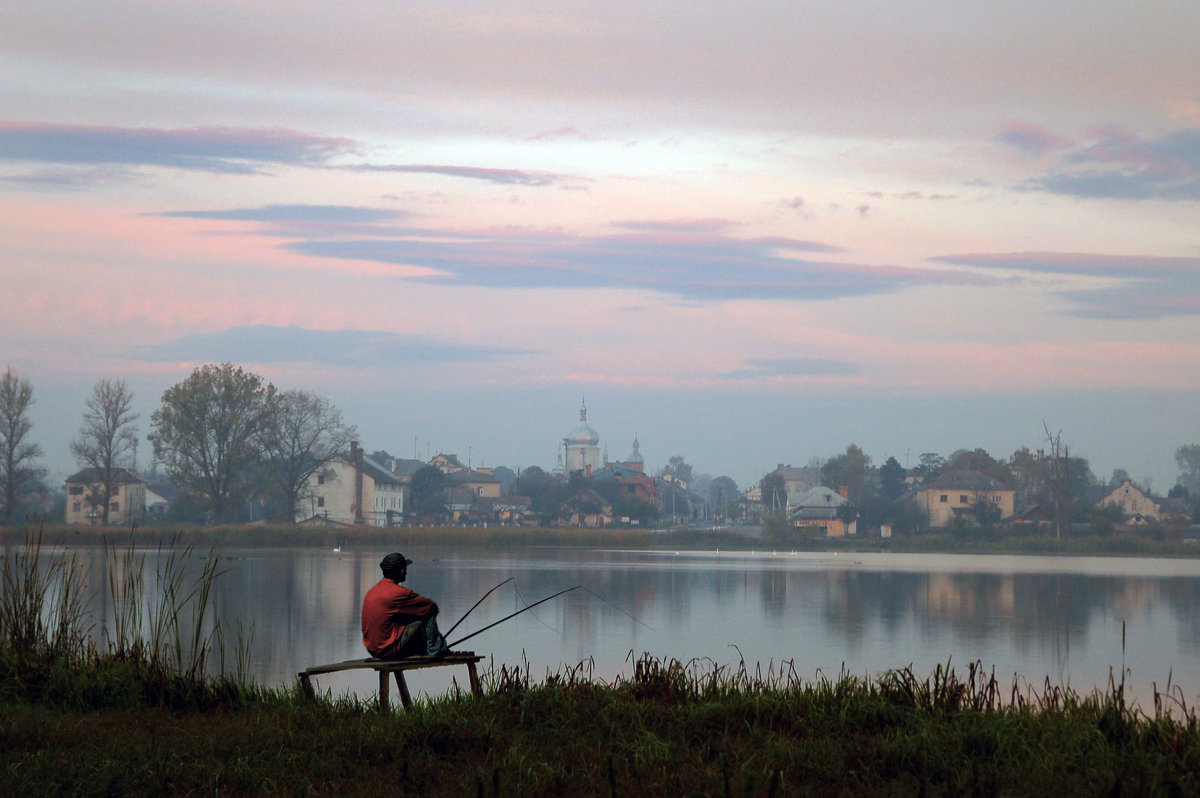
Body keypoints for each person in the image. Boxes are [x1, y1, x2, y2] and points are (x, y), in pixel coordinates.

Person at [361, 552, 451, 658]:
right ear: (402, 571)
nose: (406, 572)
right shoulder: (399, 594)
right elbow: (430, 606)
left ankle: (431, 646)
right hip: (387, 651)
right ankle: (435, 650)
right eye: (405, 569)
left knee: (411, 616)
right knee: (428, 613)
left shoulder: (372, 591)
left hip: (373, 650)